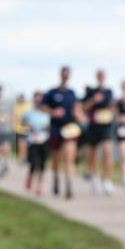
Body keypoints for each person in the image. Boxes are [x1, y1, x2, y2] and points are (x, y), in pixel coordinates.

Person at [42, 66, 84, 199]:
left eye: (68, 74)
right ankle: (56, 178)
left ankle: (69, 184)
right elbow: (42, 106)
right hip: (56, 129)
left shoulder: (72, 93)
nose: (66, 76)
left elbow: (77, 108)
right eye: (64, 73)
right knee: (56, 158)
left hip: (69, 129)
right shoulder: (52, 92)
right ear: (60, 74)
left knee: (69, 157)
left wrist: (79, 115)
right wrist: (52, 112)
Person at [82, 69, 117, 195]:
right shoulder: (90, 91)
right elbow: (84, 107)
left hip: (106, 125)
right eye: (99, 75)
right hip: (93, 125)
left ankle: (107, 179)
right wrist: (93, 101)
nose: (101, 77)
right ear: (97, 77)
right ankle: (94, 177)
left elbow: (113, 106)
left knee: (108, 152)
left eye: (103, 75)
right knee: (93, 154)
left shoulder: (109, 92)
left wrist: (112, 112)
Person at [22, 91, 51, 196]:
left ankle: (39, 187)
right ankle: (30, 178)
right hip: (32, 140)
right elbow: (23, 123)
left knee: (43, 165)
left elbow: (51, 126)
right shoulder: (29, 113)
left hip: (44, 140)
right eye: (36, 99)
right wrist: (28, 125)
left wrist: (47, 128)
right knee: (33, 164)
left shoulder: (47, 113)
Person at [13, 93, 31, 164]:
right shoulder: (16, 106)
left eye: (23, 97)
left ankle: (26, 158)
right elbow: (14, 117)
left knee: (27, 144)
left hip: (28, 128)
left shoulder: (29, 105)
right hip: (19, 128)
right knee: (21, 143)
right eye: (21, 97)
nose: (22, 99)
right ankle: (22, 158)